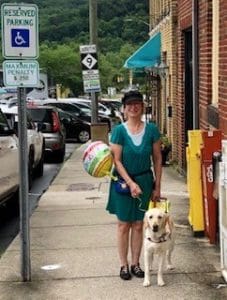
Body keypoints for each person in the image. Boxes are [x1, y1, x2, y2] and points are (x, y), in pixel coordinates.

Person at [106, 90, 162, 280]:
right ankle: (123, 265)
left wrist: (157, 187)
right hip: (123, 182)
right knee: (123, 224)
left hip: (145, 181)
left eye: (137, 103)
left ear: (142, 107)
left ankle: (136, 264)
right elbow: (116, 160)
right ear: (124, 109)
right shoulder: (119, 131)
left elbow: (157, 158)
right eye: (129, 105)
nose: (133, 107)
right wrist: (130, 183)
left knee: (139, 224)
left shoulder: (152, 130)